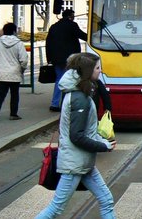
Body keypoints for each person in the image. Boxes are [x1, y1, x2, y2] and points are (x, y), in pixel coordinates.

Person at [36, 52, 117, 219]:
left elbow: (87, 131)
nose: (100, 71)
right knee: (55, 209)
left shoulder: (81, 93)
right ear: (88, 71)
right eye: (97, 68)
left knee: (107, 200)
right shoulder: (80, 98)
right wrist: (103, 146)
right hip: (75, 164)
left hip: (83, 163)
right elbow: (77, 136)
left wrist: (102, 140)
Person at [46, 9, 87, 112]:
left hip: (56, 58)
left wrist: (49, 58)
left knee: (59, 79)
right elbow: (82, 36)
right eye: (73, 16)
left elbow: (48, 42)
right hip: (69, 59)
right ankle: (64, 103)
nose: (73, 18)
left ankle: (55, 103)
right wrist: (93, 37)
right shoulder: (72, 25)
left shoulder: (54, 27)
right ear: (70, 16)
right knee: (69, 80)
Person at [0, 23, 28, 123]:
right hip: (15, 72)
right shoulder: (18, 43)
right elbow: (24, 59)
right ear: (14, 31)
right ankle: (13, 114)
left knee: (0, 94)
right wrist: (22, 68)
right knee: (14, 94)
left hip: (2, 72)